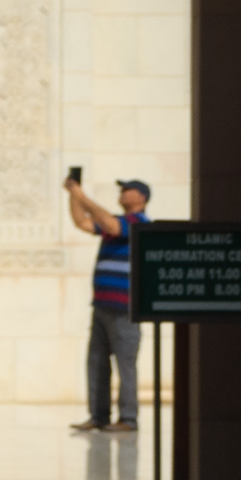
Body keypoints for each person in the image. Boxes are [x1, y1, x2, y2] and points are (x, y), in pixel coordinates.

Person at [66, 176, 150, 434]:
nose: (122, 193)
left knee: (125, 365)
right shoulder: (117, 223)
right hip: (102, 305)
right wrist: (73, 194)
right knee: (97, 362)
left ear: (142, 197)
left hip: (124, 308)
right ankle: (99, 415)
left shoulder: (137, 223)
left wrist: (82, 196)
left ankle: (128, 418)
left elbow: (112, 226)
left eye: (128, 190)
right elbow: (82, 222)